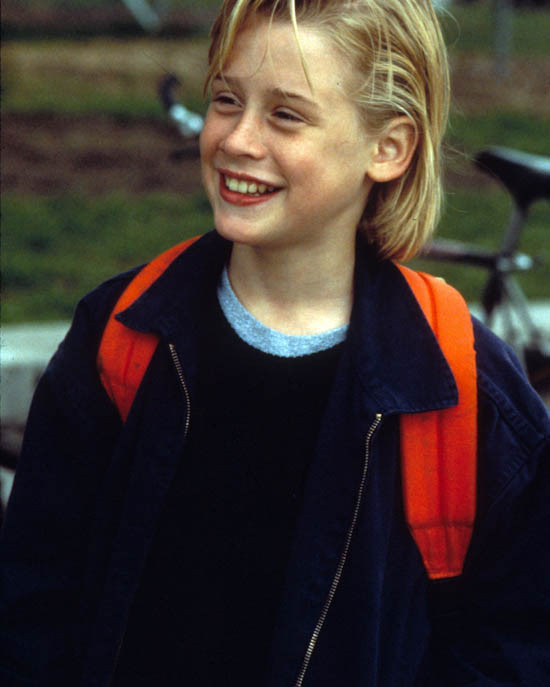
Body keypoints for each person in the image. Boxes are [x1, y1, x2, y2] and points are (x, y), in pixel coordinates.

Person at [1, 0, 549, 685]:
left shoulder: (463, 391)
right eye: (226, 99)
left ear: (388, 149)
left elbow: (516, 644)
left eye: (286, 115)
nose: (237, 139)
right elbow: (32, 604)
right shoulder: (121, 334)